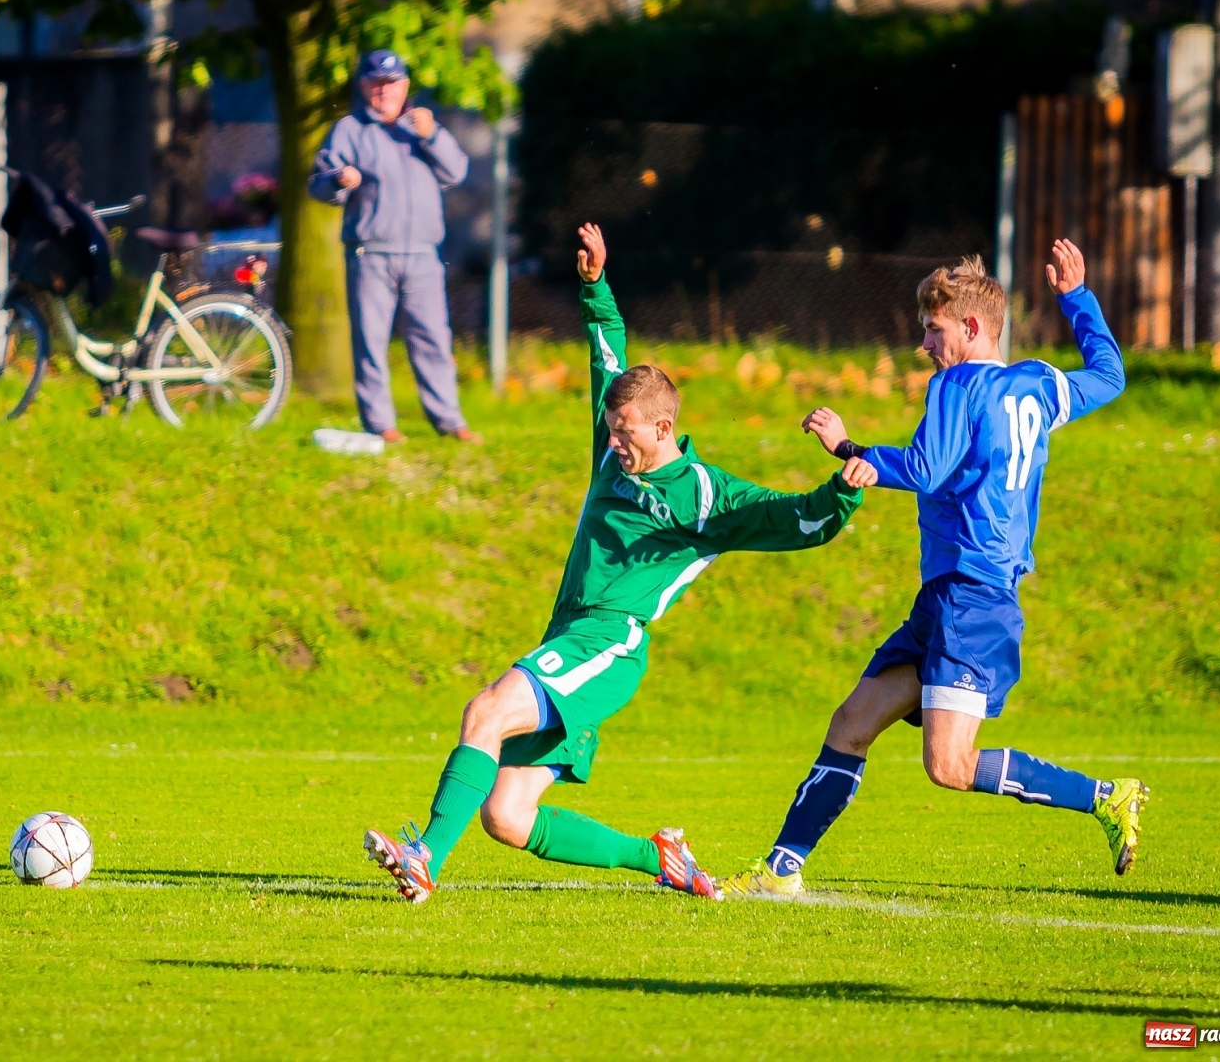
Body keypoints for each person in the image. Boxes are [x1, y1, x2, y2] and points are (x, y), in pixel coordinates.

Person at [363, 223, 879, 902]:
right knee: (506, 816)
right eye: (610, 429)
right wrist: (594, 284)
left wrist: (843, 490)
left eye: (625, 430)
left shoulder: (707, 496)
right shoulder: (613, 453)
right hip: (569, 634)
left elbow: (797, 519)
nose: (613, 441)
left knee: (484, 711)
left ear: (663, 428)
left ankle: (424, 856)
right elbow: (606, 347)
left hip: (609, 642)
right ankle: (659, 856)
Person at [715, 239, 1149, 901]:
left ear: (971, 327)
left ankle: (1106, 796)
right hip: (951, 598)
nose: (924, 344)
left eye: (933, 329)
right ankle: (780, 870)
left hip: (971, 597)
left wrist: (850, 448)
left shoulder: (955, 384)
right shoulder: (1037, 384)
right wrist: (1077, 299)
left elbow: (924, 468)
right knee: (850, 724)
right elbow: (1110, 375)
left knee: (948, 765)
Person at [308, 49, 477, 444]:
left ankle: (450, 422)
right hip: (370, 253)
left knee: (433, 340)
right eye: (376, 83)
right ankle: (381, 425)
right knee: (371, 341)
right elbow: (317, 183)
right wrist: (338, 180)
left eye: (391, 82)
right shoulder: (349, 130)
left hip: (423, 255)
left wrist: (431, 135)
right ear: (363, 86)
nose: (384, 90)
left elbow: (456, 171)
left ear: (405, 86)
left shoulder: (421, 127)